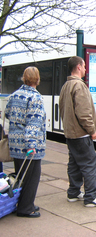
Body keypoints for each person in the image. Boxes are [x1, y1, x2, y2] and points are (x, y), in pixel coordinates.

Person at [59, 56, 96, 207]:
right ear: (79, 67)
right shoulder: (79, 86)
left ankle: (73, 193)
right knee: (89, 164)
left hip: (70, 133)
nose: (86, 69)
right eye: (85, 66)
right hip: (82, 134)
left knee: (74, 164)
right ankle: (91, 197)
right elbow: (84, 113)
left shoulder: (65, 86)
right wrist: (92, 130)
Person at [5, 66, 46, 218]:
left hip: (15, 144)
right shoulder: (35, 98)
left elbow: (8, 114)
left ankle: (22, 202)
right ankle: (26, 208)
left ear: (24, 78)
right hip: (29, 146)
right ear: (37, 79)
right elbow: (33, 123)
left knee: (20, 176)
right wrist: (32, 145)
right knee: (32, 178)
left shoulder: (15, 95)